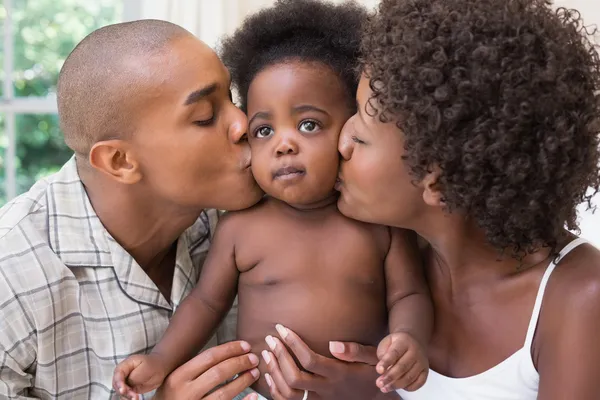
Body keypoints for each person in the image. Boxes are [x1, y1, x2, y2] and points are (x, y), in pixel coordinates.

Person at [112, 1, 431, 400]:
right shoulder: (239, 227)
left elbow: (409, 295)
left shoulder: (380, 225)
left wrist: (407, 339)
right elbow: (205, 303)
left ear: (350, 129)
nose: (283, 144)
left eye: (308, 124)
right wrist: (160, 360)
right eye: (263, 130)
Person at [330, 0, 600, 398]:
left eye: (362, 134)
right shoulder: (387, 261)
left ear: (436, 182)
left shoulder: (576, 298)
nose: (341, 141)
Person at [0, 19, 264, 400]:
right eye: (206, 116)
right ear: (120, 161)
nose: (243, 123)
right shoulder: (12, 278)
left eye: (233, 98)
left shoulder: (258, 216)